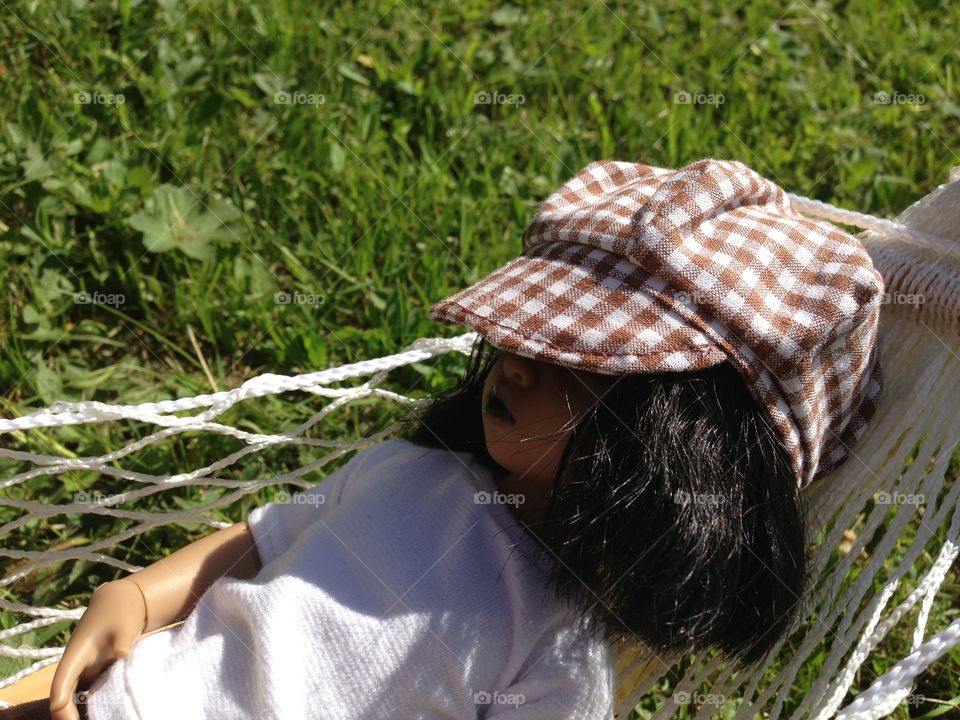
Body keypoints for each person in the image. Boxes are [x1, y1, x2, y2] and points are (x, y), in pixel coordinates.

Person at [2, 157, 885, 720]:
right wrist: (137, 598)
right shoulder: (407, 472)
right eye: (520, 331)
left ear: (676, 447)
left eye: (578, 358)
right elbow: (254, 542)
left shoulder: (553, 650)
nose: (516, 363)